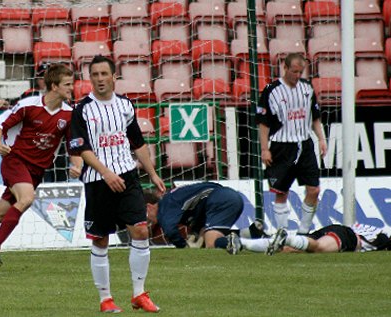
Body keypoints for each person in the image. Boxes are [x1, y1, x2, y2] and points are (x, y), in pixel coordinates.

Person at [0, 64, 82, 274]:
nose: (72, 88)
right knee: (27, 199)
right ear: (54, 86)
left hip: (36, 171)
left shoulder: (69, 114)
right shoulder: (29, 105)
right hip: (16, 161)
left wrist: (76, 164)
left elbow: (73, 145)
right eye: (67, 84)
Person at [69, 55, 166, 313]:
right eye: (95, 75)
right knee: (100, 240)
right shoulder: (82, 110)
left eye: (104, 74)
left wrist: (153, 173)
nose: (100, 79)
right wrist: (106, 173)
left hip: (128, 176)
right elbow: (82, 149)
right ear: (90, 79)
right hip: (98, 181)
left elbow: (137, 143)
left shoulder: (125, 105)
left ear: (114, 77)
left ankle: (139, 293)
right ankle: (105, 299)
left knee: (141, 231)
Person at [256, 52, 327, 234]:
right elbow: (263, 123)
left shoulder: (307, 88)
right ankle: (282, 232)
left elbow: (315, 118)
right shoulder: (271, 90)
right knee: (281, 192)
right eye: (294, 71)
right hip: (281, 145)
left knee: (314, 189)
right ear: (285, 68)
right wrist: (265, 149)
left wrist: (321, 139)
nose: (297, 76)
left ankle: (303, 232)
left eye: (300, 72)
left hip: (305, 145)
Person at [143, 182, 265, 249]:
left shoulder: (164, 207)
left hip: (219, 200)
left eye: (145, 217)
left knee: (211, 243)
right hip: (229, 196)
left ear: (149, 206)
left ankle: (242, 243)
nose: (147, 221)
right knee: (207, 236)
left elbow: (170, 230)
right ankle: (251, 233)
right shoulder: (174, 199)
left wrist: (183, 246)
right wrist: (196, 232)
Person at [226, 223, 391, 255]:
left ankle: (242, 244)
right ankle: (287, 237)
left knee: (287, 250)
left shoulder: (382, 232)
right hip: (350, 237)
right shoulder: (385, 237)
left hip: (337, 228)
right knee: (318, 247)